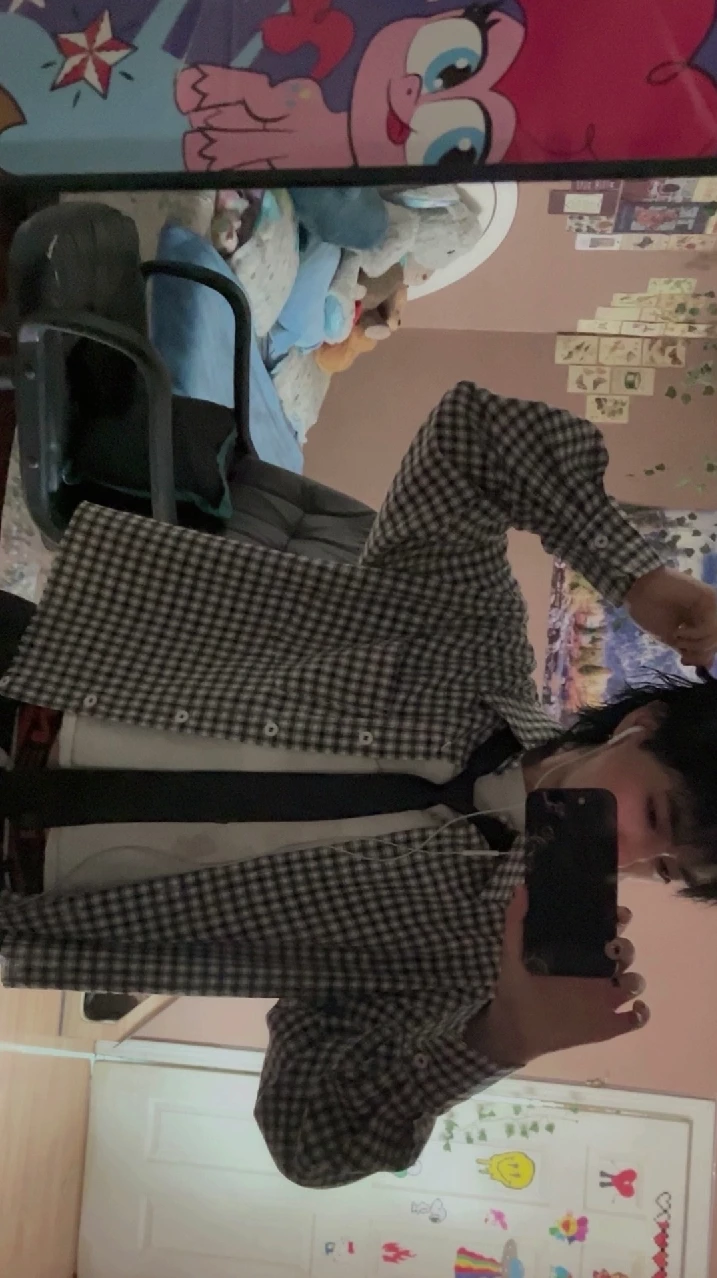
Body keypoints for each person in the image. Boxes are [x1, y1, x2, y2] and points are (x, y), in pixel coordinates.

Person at [0, 382, 716, 1188]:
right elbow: (474, 434)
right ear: (639, 724)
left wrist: (501, 1039)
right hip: (28, 681)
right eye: (656, 814)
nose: (628, 857)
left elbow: (312, 1142)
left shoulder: (472, 957)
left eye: (661, 867)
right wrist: (637, 578)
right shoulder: (465, 641)